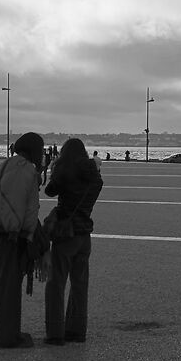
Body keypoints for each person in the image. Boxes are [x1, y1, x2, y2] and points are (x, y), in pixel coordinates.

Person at [0, 131, 45, 349]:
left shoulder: (3, 166)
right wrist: (20, 232)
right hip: (11, 235)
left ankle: (8, 330)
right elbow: (15, 201)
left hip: (0, 232)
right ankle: (8, 336)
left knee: (4, 282)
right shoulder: (23, 169)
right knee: (9, 285)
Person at [42, 137, 103, 344]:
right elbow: (97, 183)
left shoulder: (65, 172)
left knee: (56, 283)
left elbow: (49, 191)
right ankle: (77, 331)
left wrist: (54, 168)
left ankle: (55, 332)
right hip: (84, 233)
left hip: (66, 234)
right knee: (80, 283)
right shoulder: (93, 177)